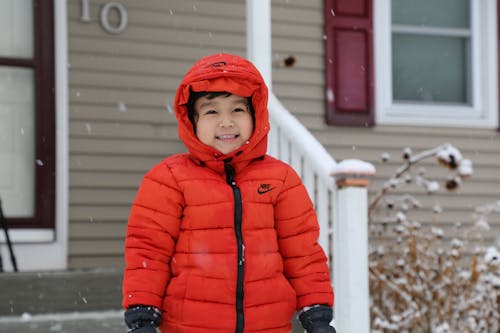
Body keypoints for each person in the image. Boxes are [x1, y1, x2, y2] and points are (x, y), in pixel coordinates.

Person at [122, 53, 336, 333]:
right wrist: (142, 313)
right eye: (212, 112)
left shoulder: (280, 179)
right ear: (192, 121)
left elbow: (303, 252)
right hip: (191, 325)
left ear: (255, 115)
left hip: (267, 325)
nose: (226, 122)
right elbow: (148, 250)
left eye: (237, 110)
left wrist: (316, 311)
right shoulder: (169, 178)